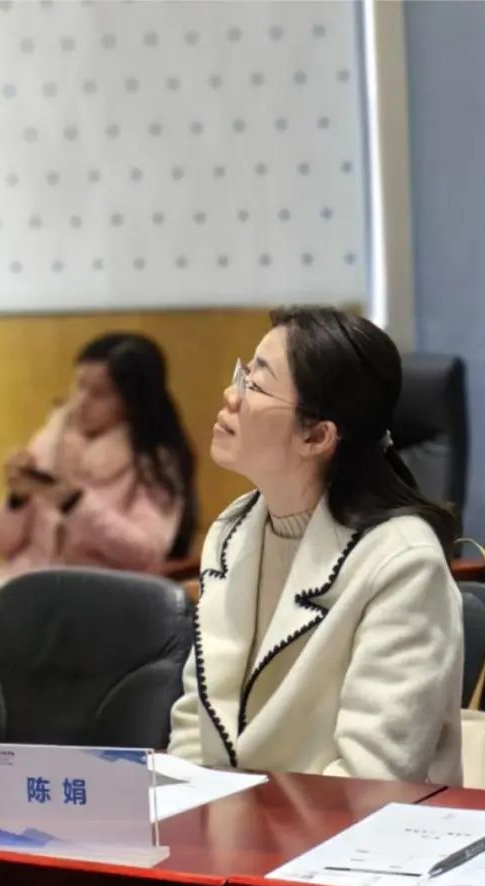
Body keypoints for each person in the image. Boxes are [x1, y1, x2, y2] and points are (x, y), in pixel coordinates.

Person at [168, 306, 463, 783]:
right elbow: (194, 720)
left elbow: (373, 775)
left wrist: (238, 818)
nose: (231, 395)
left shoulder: (403, 562)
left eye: (255, 385)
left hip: (349, 826)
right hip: (230, 820)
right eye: (243, 373)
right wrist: (184, 804)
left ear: (317, 435)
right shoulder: (231, 530)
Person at [0, 333, 195, 588]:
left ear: (133, 401)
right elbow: (0, 545)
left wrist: (76, 503)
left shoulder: (155, 460)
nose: (81, 401)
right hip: (18, 584)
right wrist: (16, 500)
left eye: (100, 393)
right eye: (79, 385)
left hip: (94, 594)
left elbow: (145, 554)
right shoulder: (49, 441)